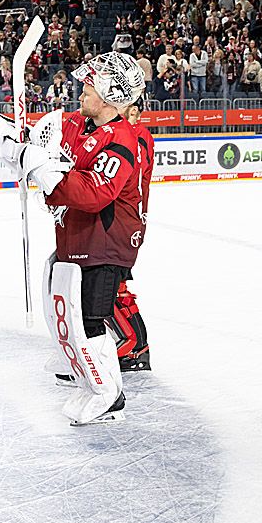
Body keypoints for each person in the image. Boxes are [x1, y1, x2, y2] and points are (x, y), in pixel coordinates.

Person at [0, 51, 147, 425]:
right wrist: (17, 146)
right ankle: (96, 385)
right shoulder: (80, 124)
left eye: (90, 86)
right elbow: (50, 145)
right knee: (71, 318)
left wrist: (42, 170)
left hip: (106, 242)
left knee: (90, 320)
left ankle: (108, 394)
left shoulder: (122, 140)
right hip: (78, 236)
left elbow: (94, 193)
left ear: (110, 95)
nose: (82, 90)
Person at [113, 98, 153, 372]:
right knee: (116, 290)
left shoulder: (136, 136)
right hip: (126, 221)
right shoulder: (130, 134)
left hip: (124, 223)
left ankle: (135, 348)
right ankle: (136, 348)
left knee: (115, 291)